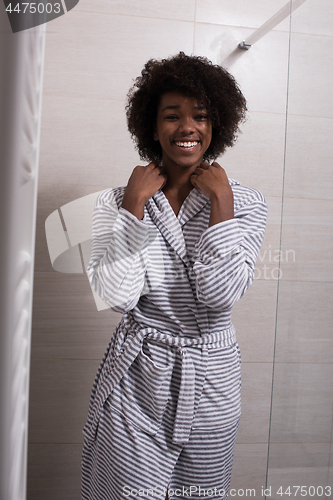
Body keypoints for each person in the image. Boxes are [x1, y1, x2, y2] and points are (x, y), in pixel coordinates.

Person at [81, 52, 267, 500]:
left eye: (200, 116)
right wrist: (133, 207)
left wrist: (221, 207)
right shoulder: (117, 201)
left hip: (211, 379)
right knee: (126, 492)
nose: (187, 127)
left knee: (199, 494)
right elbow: (117, 296)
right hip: (139, 375)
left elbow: (220, 295)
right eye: (172, 115)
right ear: (152, 125)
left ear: (216, 124)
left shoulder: (246, 202)